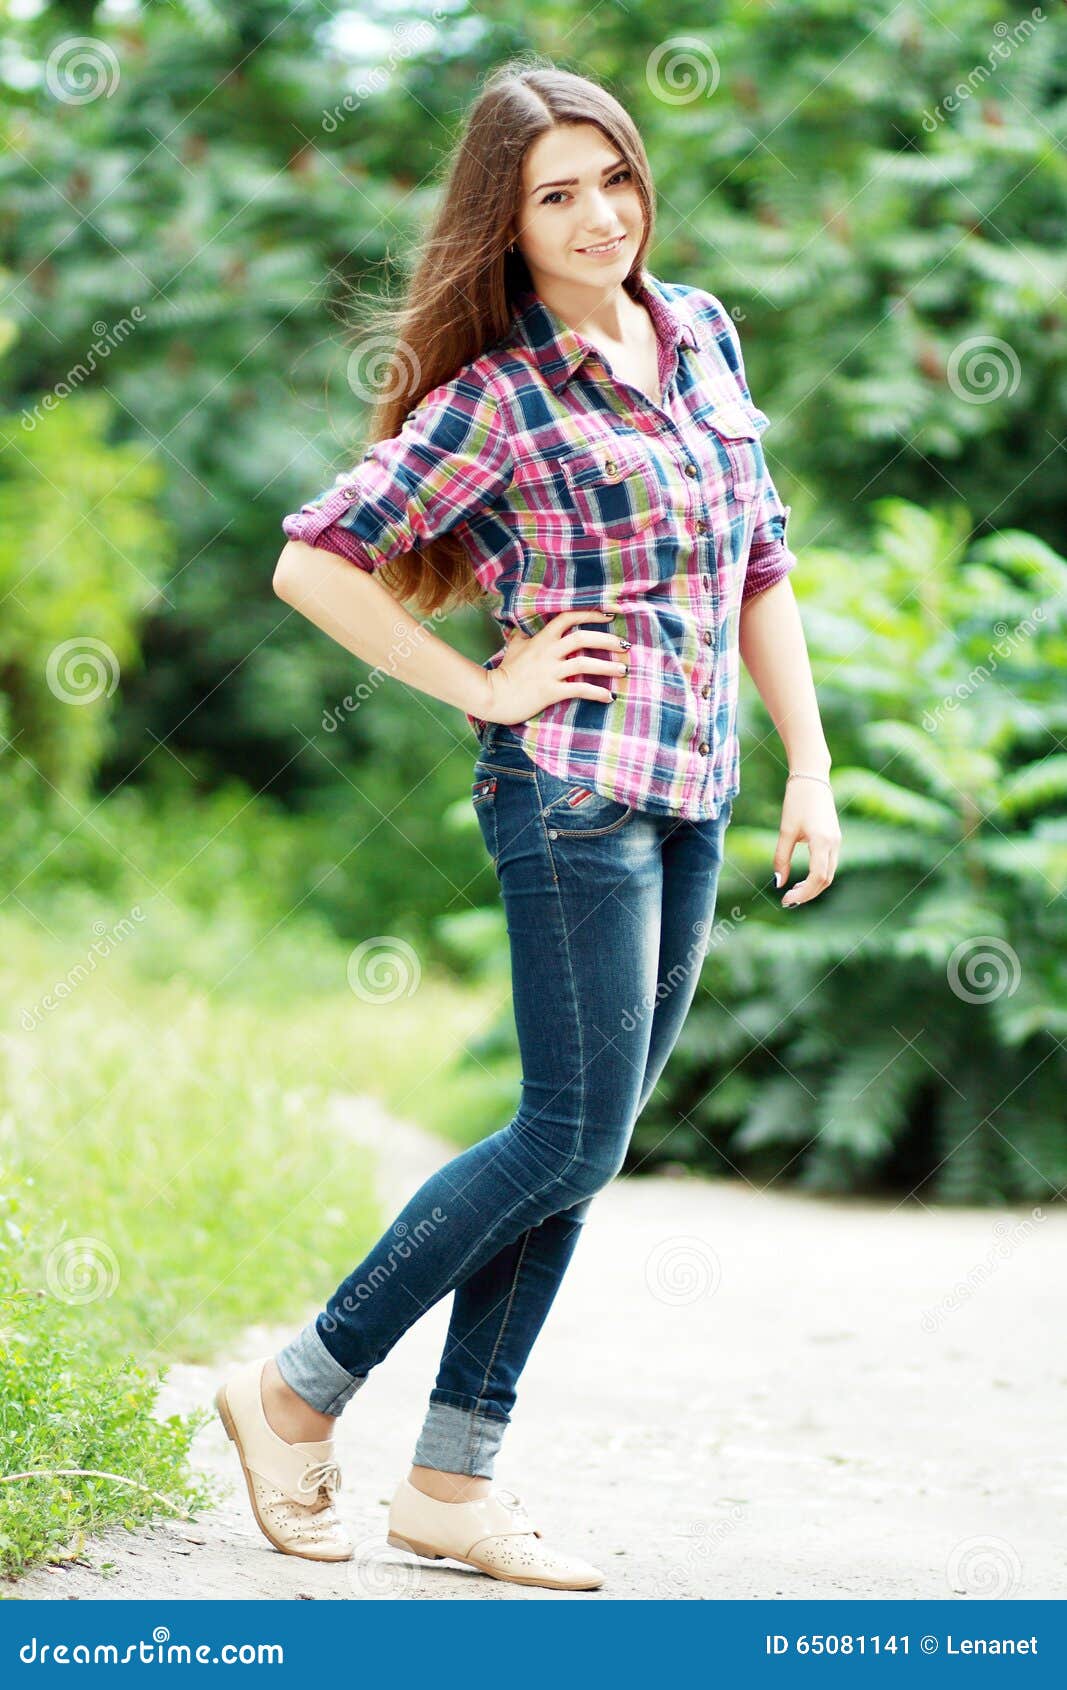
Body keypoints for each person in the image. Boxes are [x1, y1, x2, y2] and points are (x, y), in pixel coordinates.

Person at [215, 60, 841, 1593]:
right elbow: (316, 559)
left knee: (585, 1150)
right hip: (568, 797)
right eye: (556, 194)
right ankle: (296, 1387)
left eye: (613, 177)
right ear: (507, 220)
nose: (598, 216)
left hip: (695, 791)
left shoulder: (698, 332)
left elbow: (760, 562)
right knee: (567, 1130)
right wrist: (483, 688)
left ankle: (451, 1484)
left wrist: (811, 769)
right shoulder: (496, 394)